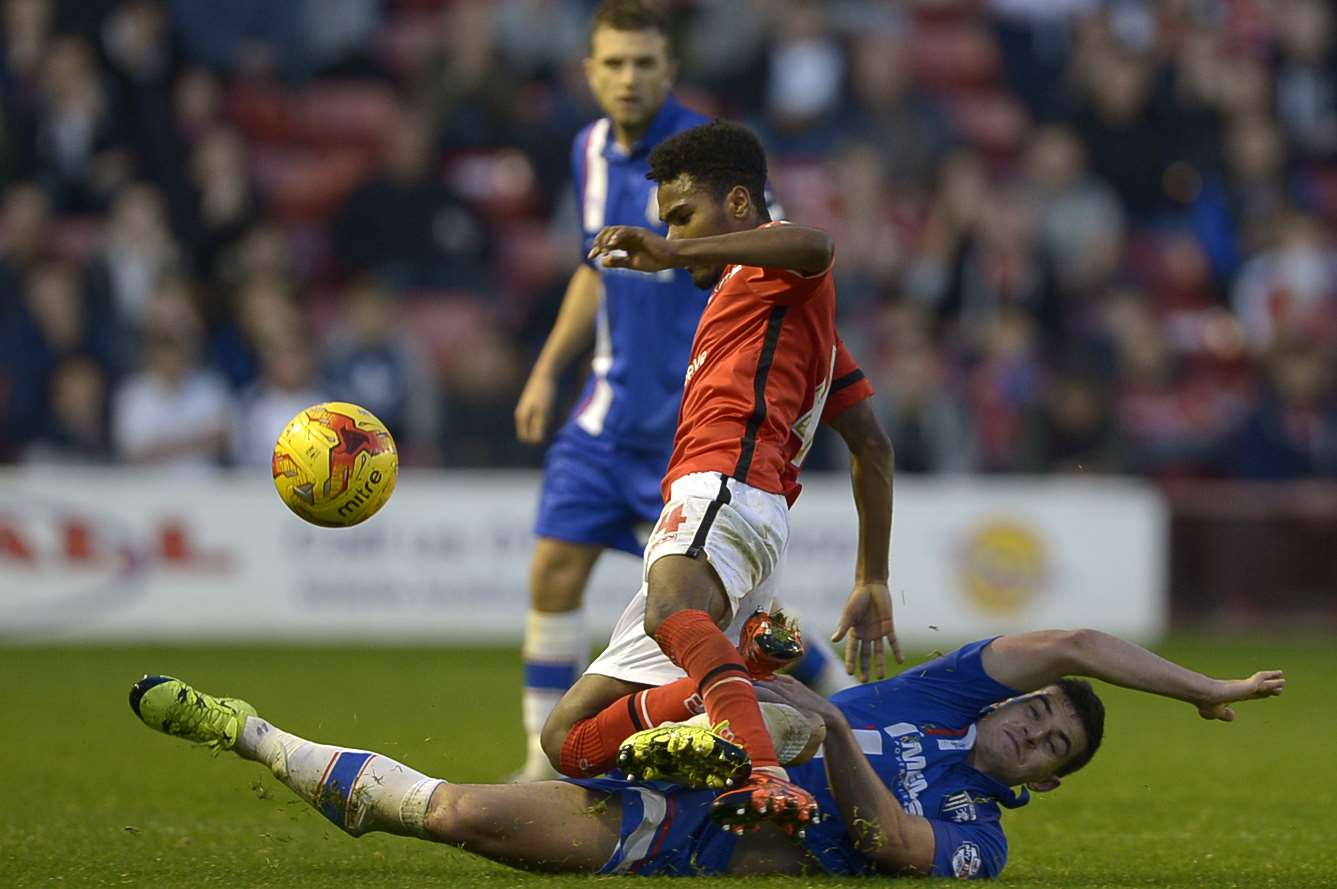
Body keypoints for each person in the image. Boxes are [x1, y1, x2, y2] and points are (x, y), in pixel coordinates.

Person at [127, 628, 1285, 877]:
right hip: (683, 767)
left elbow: (887, 840)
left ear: (1037, 784)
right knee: (754, 688)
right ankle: (686, 694)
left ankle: (246, 730)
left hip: (705, 843)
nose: (1035, 728)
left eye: (1051, 750)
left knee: (455, 817)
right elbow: (1075, 642)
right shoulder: (941, 692)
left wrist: (832, 730)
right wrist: (1201, 688)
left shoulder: (979, 840)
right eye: (1042, 712)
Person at [510, 0, 847, 782]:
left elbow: (788, 249)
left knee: (710, 614)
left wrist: (670, 252)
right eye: (613, 63)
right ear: (589, 71)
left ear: (670, 71)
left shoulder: (707, 160)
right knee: (553, 573)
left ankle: (839, 711)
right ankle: (539, 767)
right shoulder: (587, 151)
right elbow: (593, 271)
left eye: (643, 63)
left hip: (690, 428)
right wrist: (545, 369)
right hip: (605, 412)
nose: (628, 78)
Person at [538, 119, 897, 834]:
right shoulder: (794, 322)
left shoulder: (781, 269)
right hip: (731, 509)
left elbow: (815, 245)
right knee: (569, 742)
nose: (671, 230)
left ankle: (763, 769)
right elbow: (872, 447)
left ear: (739, 202)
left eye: (681, 212)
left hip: (724, 488)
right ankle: (748, 675)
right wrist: (872, 576)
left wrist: (676, 251)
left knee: (670, 614)